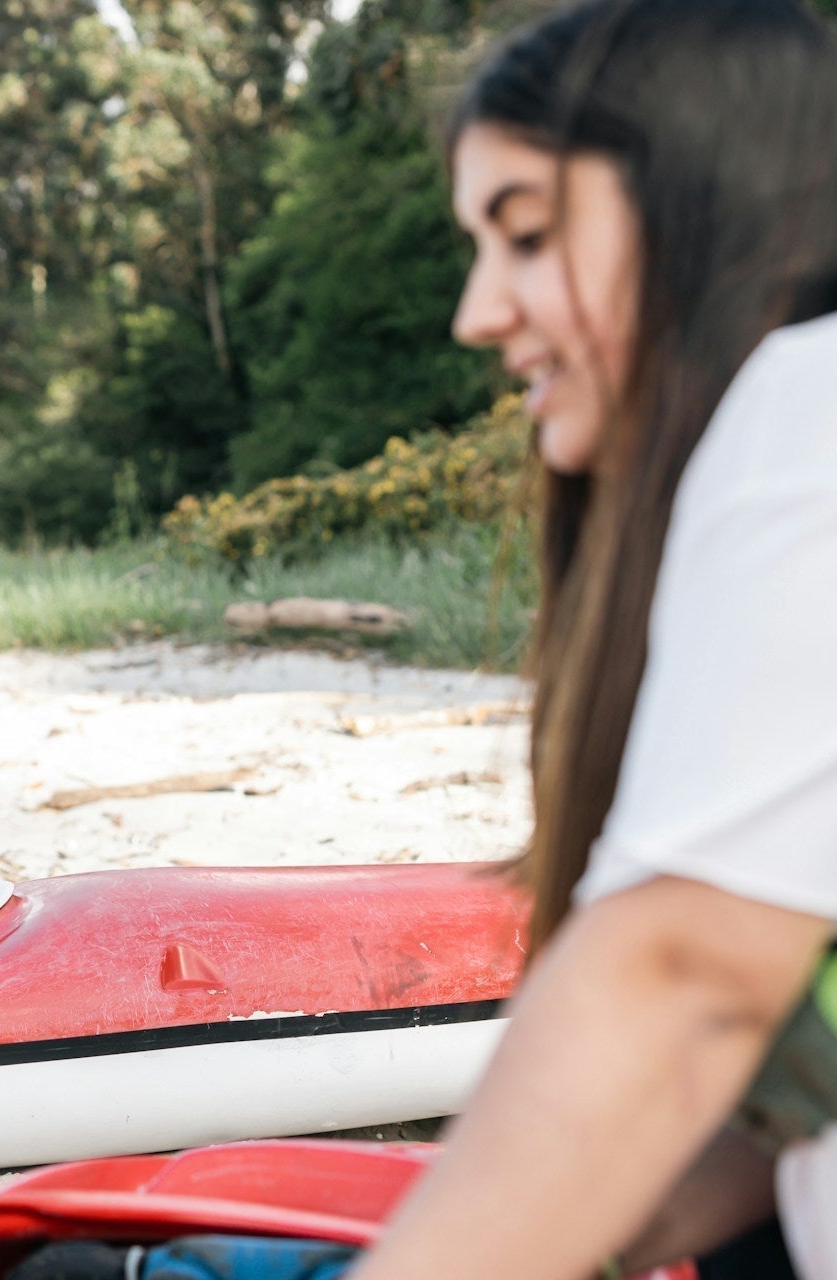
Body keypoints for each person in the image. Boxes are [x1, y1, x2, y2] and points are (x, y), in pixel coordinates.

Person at [345, 2, 837, 1278]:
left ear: (707, 191)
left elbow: (684, 984)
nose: (478, 311)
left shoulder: (809, 406)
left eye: (527, 234)